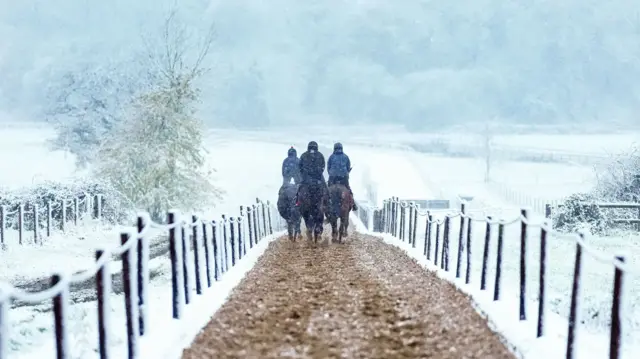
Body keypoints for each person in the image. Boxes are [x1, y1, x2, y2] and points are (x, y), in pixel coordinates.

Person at [327, 142, 357, 211]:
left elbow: (328, 168)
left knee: (327, 190)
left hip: (333, 178)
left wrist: (332, 173)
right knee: (348, 190)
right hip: (343, 178)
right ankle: (353, 204)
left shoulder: (331, 157)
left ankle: (325, 204)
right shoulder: (346, 157)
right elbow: (348, 167)